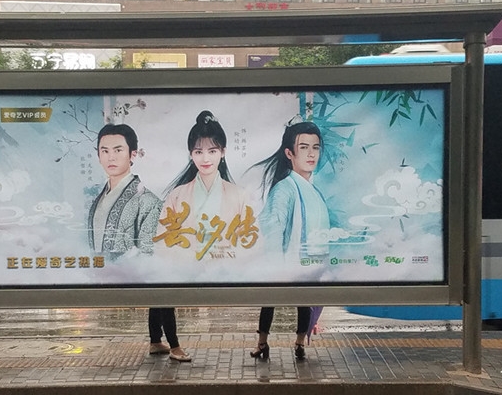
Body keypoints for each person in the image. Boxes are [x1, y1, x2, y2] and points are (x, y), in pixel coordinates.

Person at [88, 123, 190, 362]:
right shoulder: (98, 198)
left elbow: (148, 250)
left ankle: (173, 344)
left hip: (134, 268)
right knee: (159, 294)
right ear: (98, 155)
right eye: (104, 151)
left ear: (132, 154)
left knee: (161, 290)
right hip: (110, 271)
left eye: (118, 150)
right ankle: (156, 341)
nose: (111, 157)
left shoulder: (147, 200)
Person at [249, 120, 330, 360]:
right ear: (289, 153)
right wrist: (276, 265)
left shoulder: (314, 190)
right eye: (303, 147)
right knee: (272, 300)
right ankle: (263, 343)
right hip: (285, 262)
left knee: (303, 302)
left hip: (307, 264)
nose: (311, 154)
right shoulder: (284, 188)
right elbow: (272, 228)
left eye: (315, 147)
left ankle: (299, 343)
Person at [153, 110, 253, 263]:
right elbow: (162, 244)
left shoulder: (240, 196)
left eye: (212, 151)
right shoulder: (176, 195)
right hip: (185, 271)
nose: (205, 159)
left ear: (223, 152)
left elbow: (251, 245)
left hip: (229, 272)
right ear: (191, 154)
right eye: (199, 152)